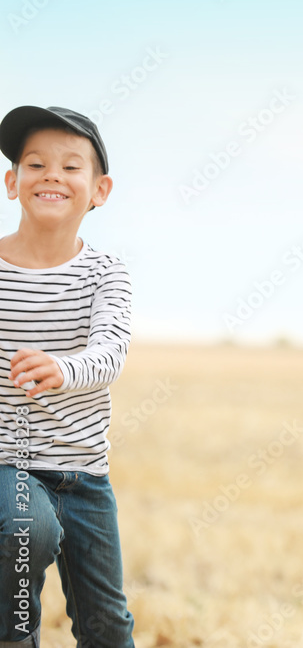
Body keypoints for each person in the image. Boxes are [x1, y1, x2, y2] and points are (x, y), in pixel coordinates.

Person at [0, 106, 134, 647]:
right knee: (29, 529)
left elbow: (111, 353)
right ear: (13, 183)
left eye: (70, 167)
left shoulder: (106, 272)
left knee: (108, 625)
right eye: (35, 163)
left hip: (85, 476)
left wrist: (61, 368)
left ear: (99, 190)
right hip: (11, 463)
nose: (52, 174)